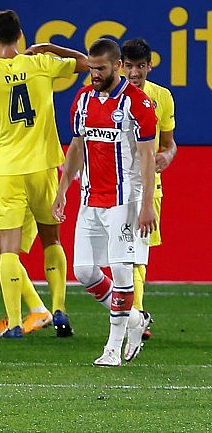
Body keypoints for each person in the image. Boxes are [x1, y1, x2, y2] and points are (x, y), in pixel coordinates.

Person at [0, 9, 88, 338]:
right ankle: (59, 309)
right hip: (43, 166)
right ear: (20, 35)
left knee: (8, 248)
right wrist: (53, 49)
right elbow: (89, 63)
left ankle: (15, 322)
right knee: (51, 240)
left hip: (6, 169)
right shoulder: (40, 64)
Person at [53, 38, 156, 366]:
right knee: (83, 271)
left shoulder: (137, 103)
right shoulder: (82, 100)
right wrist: (62, 189)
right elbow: (76, 147)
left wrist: (147, 204)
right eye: (91, 67)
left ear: (117, 66)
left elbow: (147, 156)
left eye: (100, 68)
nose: (93, 73)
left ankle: (113, 347)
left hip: (125, 201)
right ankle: (135, 318)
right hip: (90, 198)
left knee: (123, 270)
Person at [121, 38, 177, 340]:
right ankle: (132, 314)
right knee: (119, 257)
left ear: (149, 66)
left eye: (140, 66)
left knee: (137, 254)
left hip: (148, 185)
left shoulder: (162, 97)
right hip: (114, 185)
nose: (134, 73)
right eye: (129, 66)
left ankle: (136, 315)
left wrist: (167, 155)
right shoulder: (109, 96)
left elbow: (169, 143)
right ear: (120, 65)